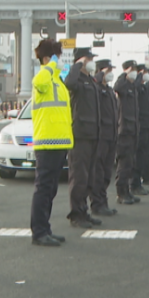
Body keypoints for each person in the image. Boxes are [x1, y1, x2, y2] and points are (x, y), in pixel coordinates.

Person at [30, 39, 73, 247]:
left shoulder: (58, 81)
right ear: (48, 58)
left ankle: (45, 228)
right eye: (57, 56)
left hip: (60, 142)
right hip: (47, 143)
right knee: (44, 188)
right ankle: (38, 232)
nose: (60, 60)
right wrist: (50, 67)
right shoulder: (43, 77)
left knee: (51, 189)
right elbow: (38, 82)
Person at [64, 47, 101, 229]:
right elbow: (68, 83)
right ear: (81, 61)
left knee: (88, 177)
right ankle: (76, 214)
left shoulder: (90, 80)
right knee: (78, 176)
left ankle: (84, 211)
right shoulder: (76, 78)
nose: (92, 61)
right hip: (80, 134)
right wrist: (76, 66)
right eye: (89, 58)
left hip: (93, 133)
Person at [91, 59, 119, 216]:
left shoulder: (108, 90)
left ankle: (103, 202)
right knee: (98, 172)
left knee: (107, 172)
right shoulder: (96, 88)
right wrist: (99, 75)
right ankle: (97, 204)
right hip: (101, 136)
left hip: (111, 135)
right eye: (108, 71)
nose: (110, 74)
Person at [114, 60, 141, 204]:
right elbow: (117, 86)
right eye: (132, 70)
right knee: (123, 164)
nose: (134, 73)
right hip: (124, 131)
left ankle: (127, 192)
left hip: (133, 130)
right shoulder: (123, 86)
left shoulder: (132, 87)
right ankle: (121, 193)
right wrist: (124, 74)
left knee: (130, 163)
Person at [131, 64, 149, 195]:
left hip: (146, 125)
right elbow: (135, 86)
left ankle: (137, 183)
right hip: (139, 126)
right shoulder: (136, 86)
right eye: (143, 72)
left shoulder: (144, 87)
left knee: (142, 155)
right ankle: (134, 184)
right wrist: (139, 75)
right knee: (137, 157)